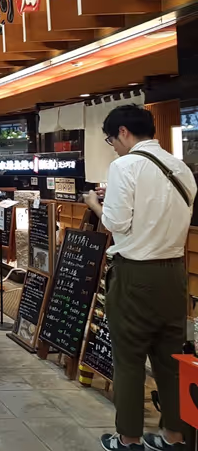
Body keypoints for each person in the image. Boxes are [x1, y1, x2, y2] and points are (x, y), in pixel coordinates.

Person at [83, 105, 197, 451]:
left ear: (123, 132)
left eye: (111, 139)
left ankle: (129, 438)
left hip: (136, 274)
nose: (113, 147)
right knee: (171, 358)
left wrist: (93, 204)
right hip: (175, 273)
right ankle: (175, 437)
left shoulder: (125, 165)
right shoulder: (181, 169)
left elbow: (116, 223)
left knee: (129, 359)